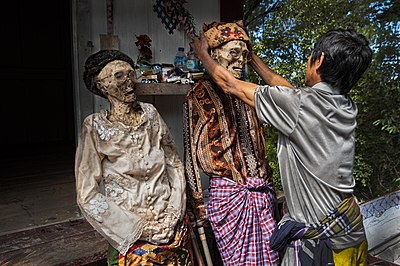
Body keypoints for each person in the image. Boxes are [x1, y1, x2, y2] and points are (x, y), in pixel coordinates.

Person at [190, 28, 373, 265]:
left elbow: (230, 85)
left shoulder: (299, 106)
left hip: (325, 249)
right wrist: (252, 58)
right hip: (352, 235)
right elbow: (288, 92)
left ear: (320, 60)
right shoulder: (343, 105)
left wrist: (203, 55)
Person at [75, 49, 191, 265]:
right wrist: (138, 229)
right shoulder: (94, 127)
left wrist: (174, 212)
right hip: (130, 232)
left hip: (170, 224)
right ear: (101, 85)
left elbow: (174, 164)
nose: (129, 82)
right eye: (119, 76)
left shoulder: (151, 114)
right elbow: (87, 195)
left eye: (131, 74)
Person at [183, 21, 280, 265]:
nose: (240, 60)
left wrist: (267, 179)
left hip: (261, 193)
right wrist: (197, 203)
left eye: (245, 55)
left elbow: (259, 144)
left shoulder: (250, 92)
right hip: (230, 197)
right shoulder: (200, 93)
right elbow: (191, 152)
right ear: (215, 54)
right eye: (234, 53)